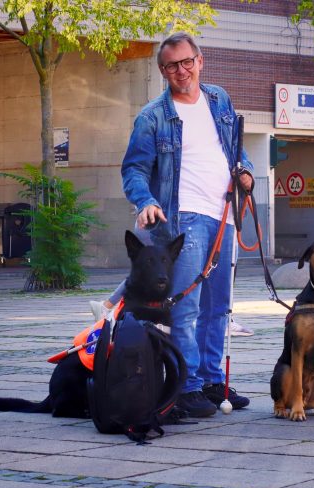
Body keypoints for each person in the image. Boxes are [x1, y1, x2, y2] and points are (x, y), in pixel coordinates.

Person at [120, 32, 254, 418]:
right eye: (172, 65)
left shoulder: (219, 99)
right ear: (163, 71)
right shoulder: (152, 116)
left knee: (219, 305)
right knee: (188, 305)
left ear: (200, 60)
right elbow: (134, 169)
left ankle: (211, 380)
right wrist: (144, 201)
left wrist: (244, 171)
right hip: (185, 219)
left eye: (187, 61)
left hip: (224, 214)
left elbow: (234, 149)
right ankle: (187, 385)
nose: (182, 70)